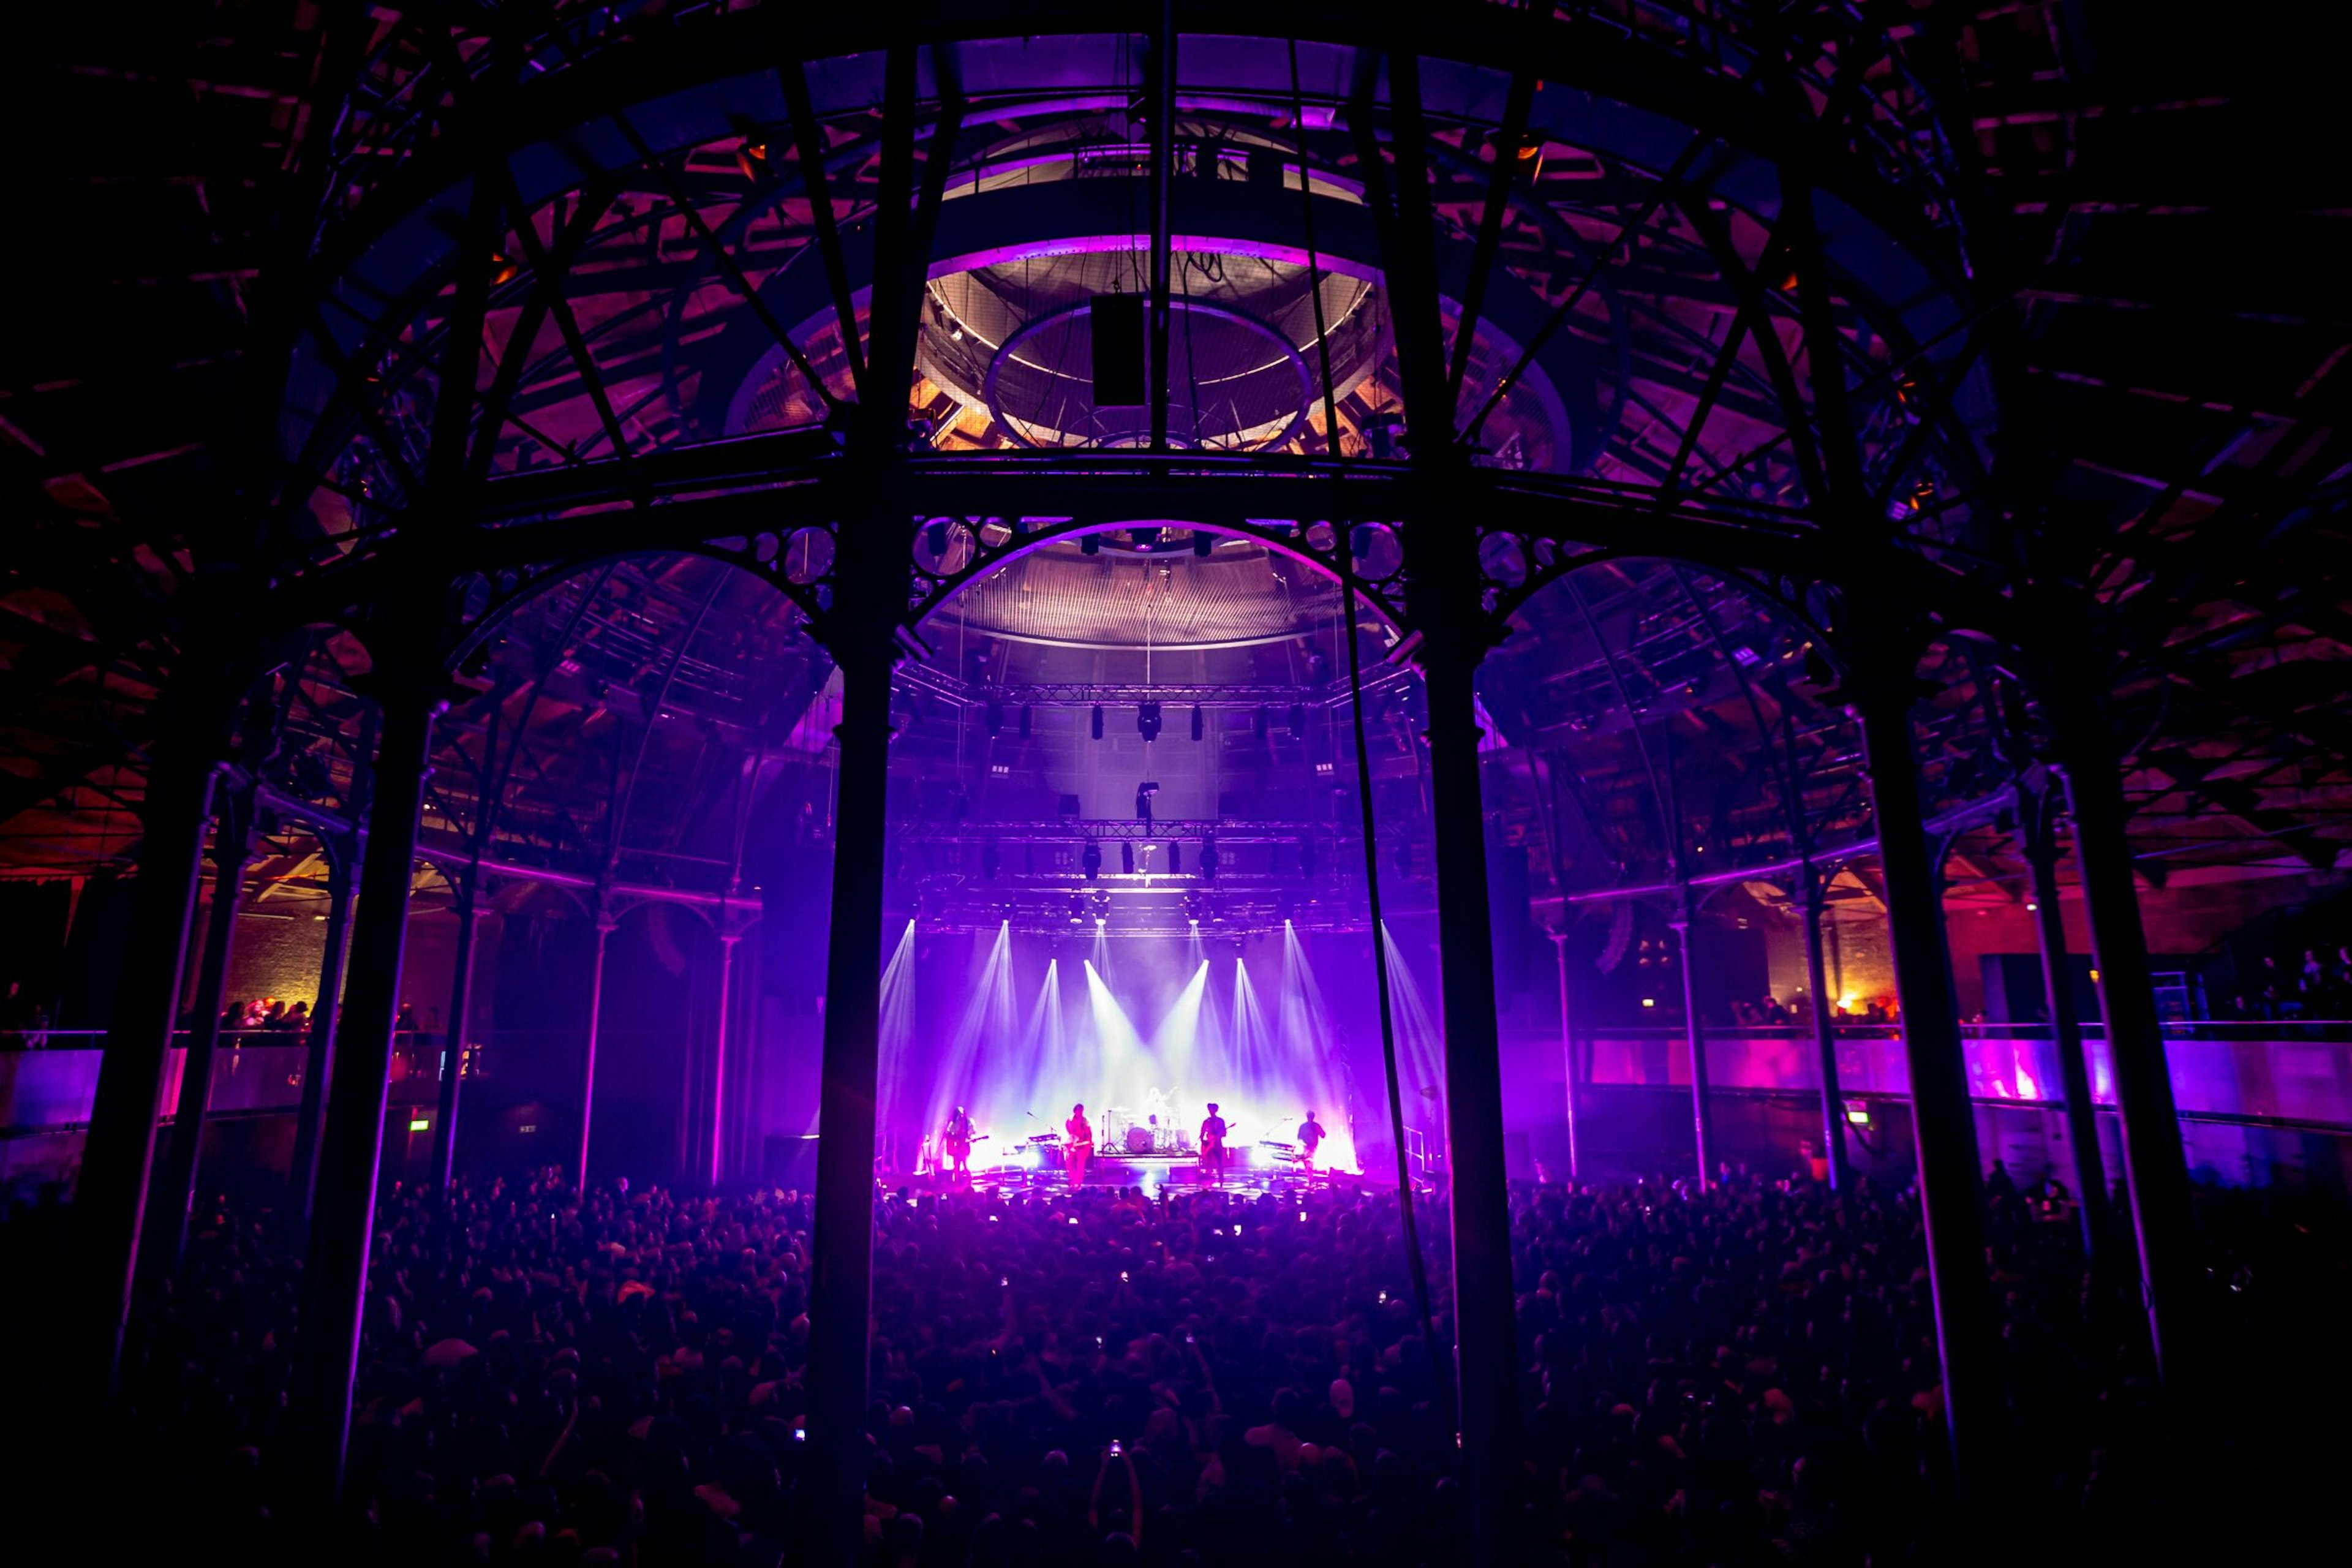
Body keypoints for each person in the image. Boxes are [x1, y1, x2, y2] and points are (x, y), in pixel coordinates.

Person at [1199, 1102, 1229, 1188]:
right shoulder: (1206, 1121)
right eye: (1210, 1109)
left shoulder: (1220, 1121)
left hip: (1218, 1145)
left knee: (1220, 1163)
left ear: (1216, 1110)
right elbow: (1202, 1134)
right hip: (1209, 1145)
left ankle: (1221, 1181)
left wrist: (1218, 1135)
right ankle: (1208, 1181)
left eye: (1212, 1109)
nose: (1211, 1111)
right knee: (1208, 1164)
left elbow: (1224, 1134)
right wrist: (1204, 1143)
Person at [942, 1105, 975, 1182]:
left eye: (962, 1114)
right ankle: (958, 1181)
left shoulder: (969, 1122)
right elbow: (948, 1134)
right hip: (956, 1148)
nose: (961, 1116)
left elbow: (972, 1133)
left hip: (964, 1147)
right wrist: (954, 1140)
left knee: (963, 1163)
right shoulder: (953, 1124)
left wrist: (971, 1138)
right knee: (957, 1165)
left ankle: (967, 1179)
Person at [1065, 1102, 1092, 1188]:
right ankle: (1072, 1180)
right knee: (1069, 1163)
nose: (1080, 1112)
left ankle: (1078, 1183)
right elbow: (1068, 1128)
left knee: (1080, 1165)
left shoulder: (1085, 1121)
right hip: (1073, 1144)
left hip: (1082, 1145)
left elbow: (1088, 1133)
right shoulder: (1070, 1120)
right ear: (1075, 1111)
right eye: (1079, 1110)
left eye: (1082, 1110)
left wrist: (1087, 1142)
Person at [1297, 1109, 1325, 1186]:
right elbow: (1299, 1138)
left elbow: (1323, 1135)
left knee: (1309, 1163)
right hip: (1306, 1147)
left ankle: (1310, 1180)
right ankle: (1310, 1178)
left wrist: (1320, 1132)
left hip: (1312, 1148)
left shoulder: (1316, 1126)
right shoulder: (1304, 1126)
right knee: (1306, 1163)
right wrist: (1303, 1144)